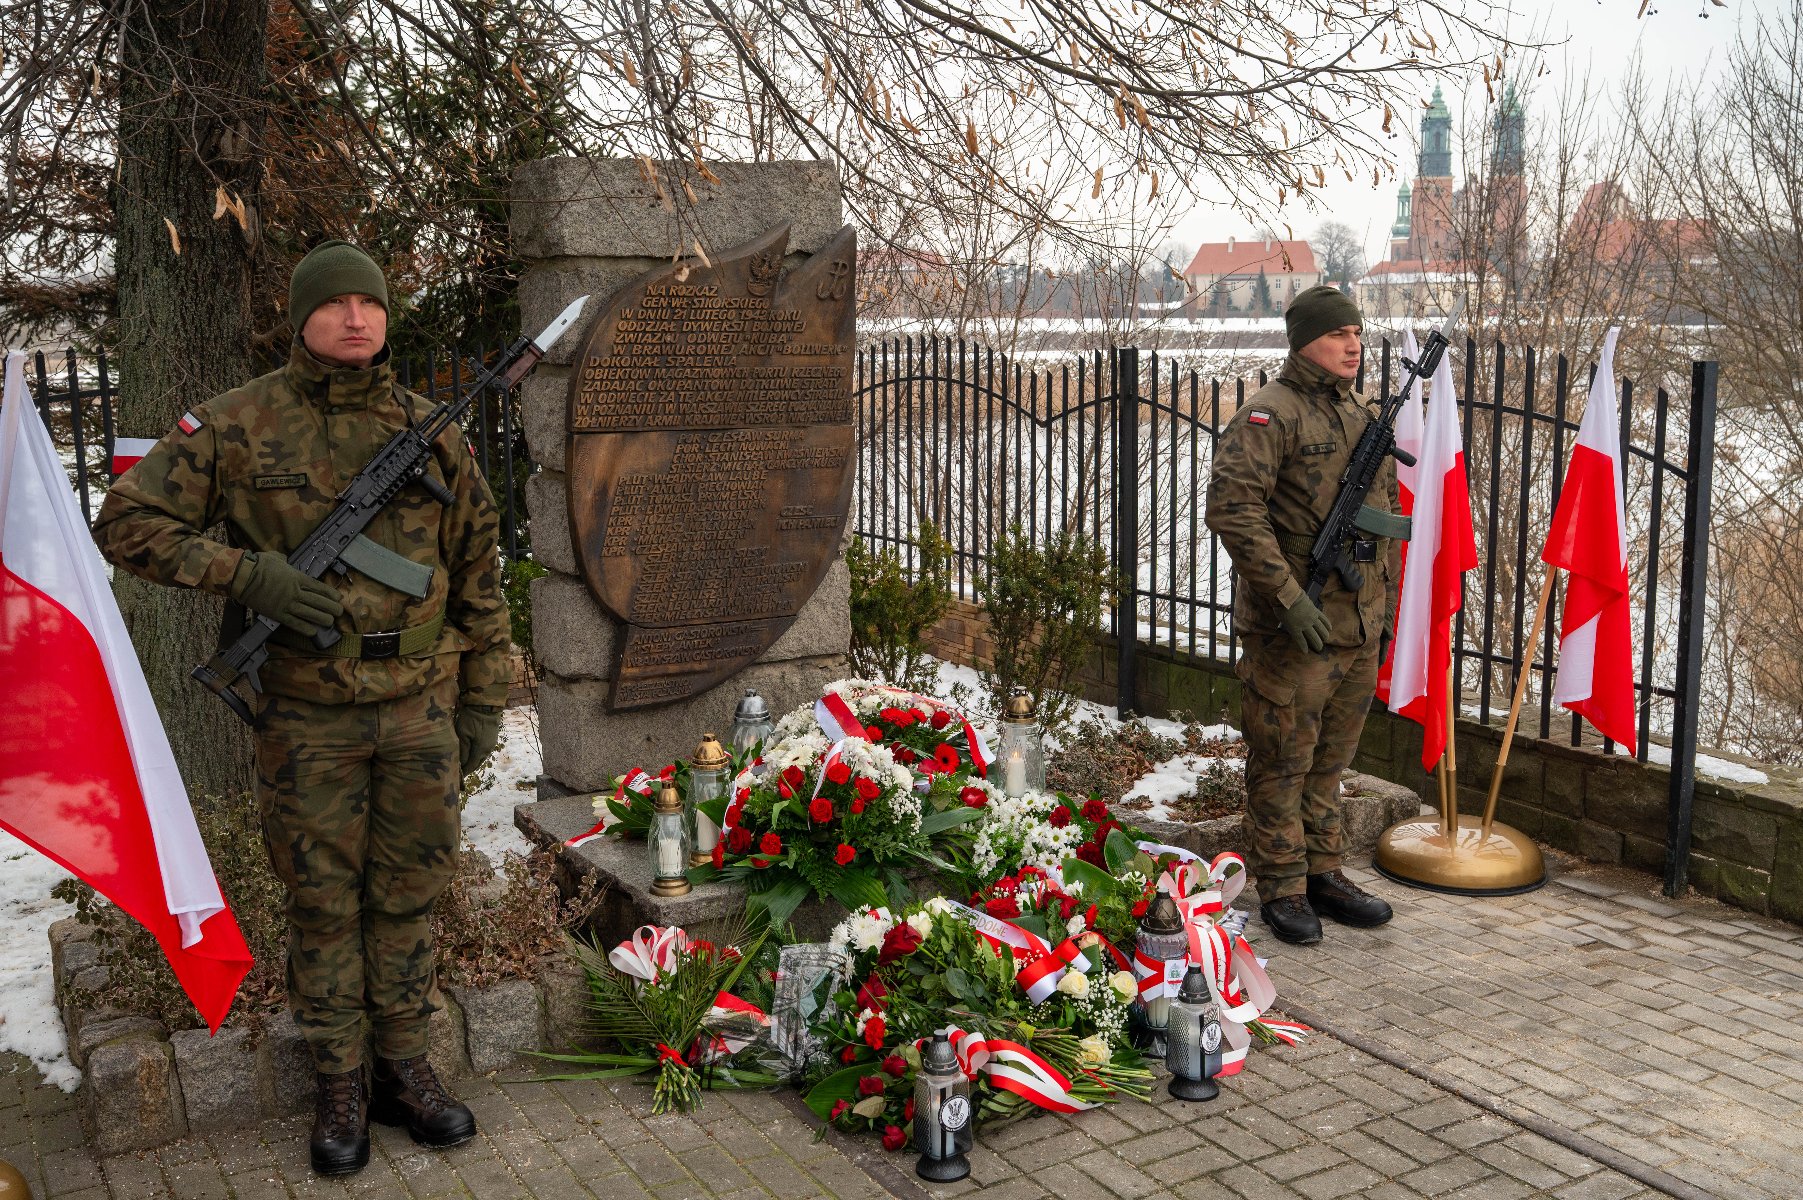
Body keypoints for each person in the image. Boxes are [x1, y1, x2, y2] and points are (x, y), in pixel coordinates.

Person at [94, 240, 509, 1175]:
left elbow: (479, 576)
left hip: (417, 708)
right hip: (307, 716)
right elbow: (125, 522)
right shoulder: (237, 424)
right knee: (322, 902)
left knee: (409, 895)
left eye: (371, 302)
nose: (356, 317)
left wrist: (481, 699)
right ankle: (339, 1085)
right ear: (302, 317)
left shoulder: (430, 430)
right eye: (336, 303)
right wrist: (249, 575)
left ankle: (407, 1068)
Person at [1204, 285, 1405, 946]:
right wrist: (1287, 598)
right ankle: (1282, 884)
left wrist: (1383, 609)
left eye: (1356, 332)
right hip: (1293, 623)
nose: (1352, 344)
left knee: (1328, 762)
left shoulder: (1357, 412)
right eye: (1336, 333)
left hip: (1355, 622)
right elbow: (1234, 511)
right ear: (1303, 341)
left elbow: (1375, 526)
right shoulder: (1270, 414)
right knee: (1282, 757)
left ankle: (1324, 872)